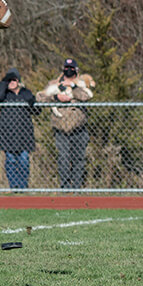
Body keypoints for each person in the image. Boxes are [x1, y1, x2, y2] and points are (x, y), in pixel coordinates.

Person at [36, 58, 93, 189]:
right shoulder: (54, 83)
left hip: (79, 129)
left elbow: (86, 96)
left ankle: (77, 187)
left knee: (79, 159)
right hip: (61, 129)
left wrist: (73, 88)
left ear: (76, 70)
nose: (68, 70)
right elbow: (40, 97)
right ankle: (66, 188)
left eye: (71, 68)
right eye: (66, 68)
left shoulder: (82, 83)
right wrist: (56, 97)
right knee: (63, 159)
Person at [0, 67, 41, 189]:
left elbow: (37, 110)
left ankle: (23, 187)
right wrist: (4, 82)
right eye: (8, 81)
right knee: (10, 161)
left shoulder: (26, 93)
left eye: (13, 80)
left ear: (19, 81)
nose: (11, 83)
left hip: (24, 134)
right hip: (7, 134)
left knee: (24, 161)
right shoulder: (4, 95)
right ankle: (14, 187)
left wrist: (29, 98)